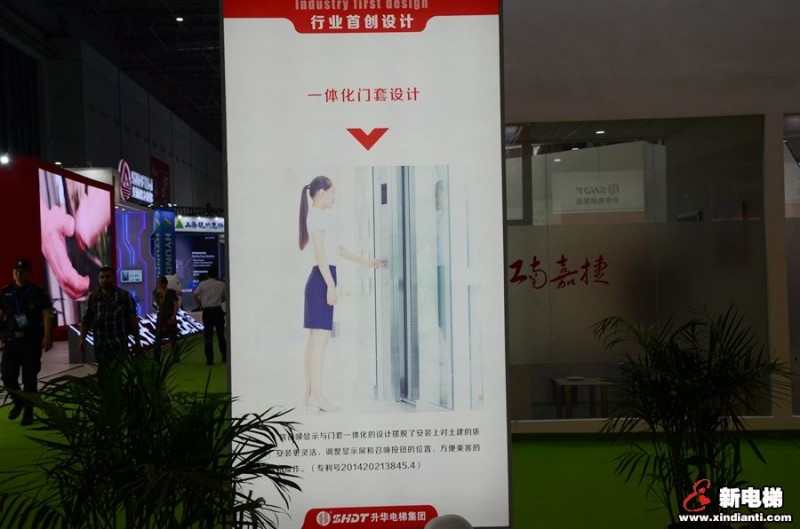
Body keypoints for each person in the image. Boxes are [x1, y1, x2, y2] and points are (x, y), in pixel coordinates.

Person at [299, 176, 383, 412]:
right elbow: (320, 255)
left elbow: (335, 250)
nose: (335, 197)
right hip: (322, 279)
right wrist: (330, 286)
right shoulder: (317, 216)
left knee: (315, 341)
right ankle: (317, 395)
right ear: (322, 192)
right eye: (333, 192)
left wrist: (365, 261)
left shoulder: (319, 216)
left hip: (320, 278)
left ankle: (310, 394)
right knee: (320, 341)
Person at [0, 259, 53, 426]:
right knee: (7, 375)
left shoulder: (37, 292)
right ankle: (19, 401)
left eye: (22, 271)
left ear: (29, 273)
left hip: (31, 340)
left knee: (30, 377)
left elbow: (46, 315)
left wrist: (47, 336)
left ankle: (28, 412)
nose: (18, 274)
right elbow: (1, 314)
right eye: (15, 271)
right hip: (11, 340)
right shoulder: (5, 292)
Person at [79, 266, 140, 364]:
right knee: (103, 370)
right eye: (102, 277)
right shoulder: (93, 297)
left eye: (108, 277)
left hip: (119, 344)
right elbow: (86, 320)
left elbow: (132, 319)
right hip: (100, 345)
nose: (104, 280)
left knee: (118, 371)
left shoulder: (124, 296)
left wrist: (137, 341)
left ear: (114, 278)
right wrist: (82, 339)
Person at [193, 267, 227, 365]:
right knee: (221, 335)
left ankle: (209, 359)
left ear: (208, 275)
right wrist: (219, 300)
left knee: (208, 336)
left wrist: (201, 305)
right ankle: (225, 357)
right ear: (216, 274)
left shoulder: (203, 284)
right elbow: (225, 297)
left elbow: (195, 295)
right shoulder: (221, 284)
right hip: (217, 310)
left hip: (207, 311)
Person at [153, 275, 180, 362]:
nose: (157, 284)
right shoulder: (155, 293)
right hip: (161, 318)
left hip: (170, 316)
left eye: (159, 282)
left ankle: (176, 357)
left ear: (164, 284)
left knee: (173, 338)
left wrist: (174, 316)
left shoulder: (171, 292)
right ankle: (157, 359)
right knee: (158, 339)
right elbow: (156, 305)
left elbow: (175, 305)